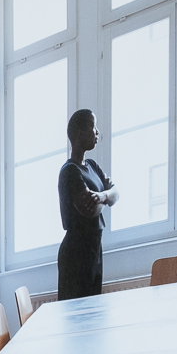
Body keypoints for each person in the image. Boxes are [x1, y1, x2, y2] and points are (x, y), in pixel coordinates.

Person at [57, 109, 118, 300]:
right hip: (76, 254)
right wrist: (105, 198)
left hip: (94, 249)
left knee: (93, 308)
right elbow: (89, 209)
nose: (97, 132)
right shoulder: (69, 171)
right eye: (93, 126)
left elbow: (115, 193)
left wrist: (101, 196)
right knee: (77, 312)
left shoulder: (92, 166)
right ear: (79, 132)